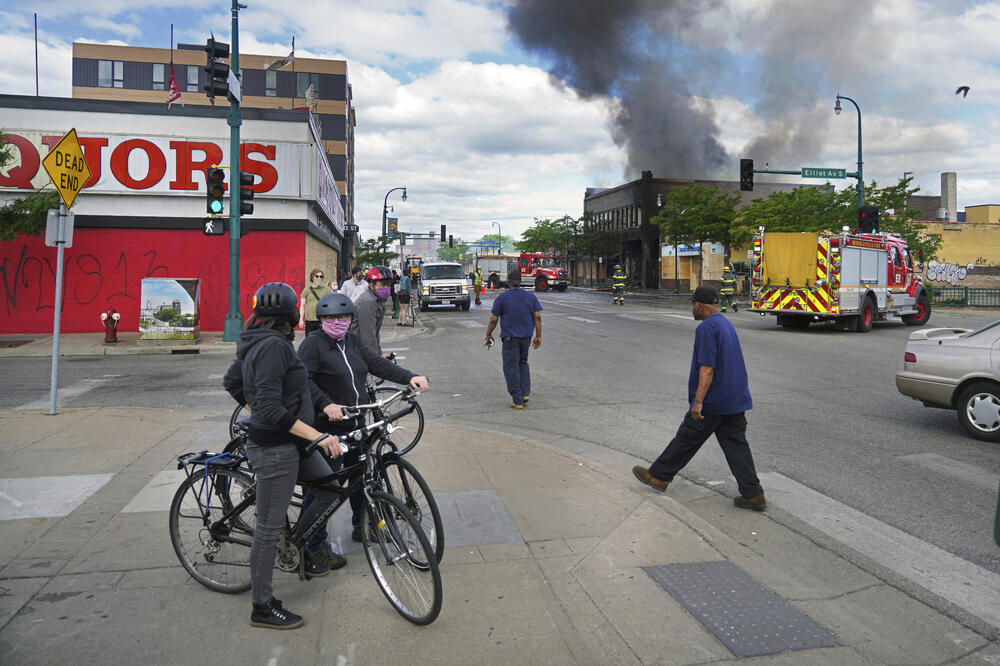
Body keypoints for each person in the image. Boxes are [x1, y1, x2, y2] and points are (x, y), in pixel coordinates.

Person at [222, 282, 344, 630]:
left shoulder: (257, 341)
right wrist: (317, 435)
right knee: (268, 528)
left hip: (291, 441)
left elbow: (233, 382)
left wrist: (259, 407)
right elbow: (271, 409)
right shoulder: (273, 347)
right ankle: (262, 605)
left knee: (328, 489)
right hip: (276, 447)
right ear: (291, 314)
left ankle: (296, 544)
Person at [298, 292, 430, 544]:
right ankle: (313, 545)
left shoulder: (353, 342)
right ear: (322, 319)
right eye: (332, 318)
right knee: (325, 489)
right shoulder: (312, 344)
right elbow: (303, 380)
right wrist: (326, 405)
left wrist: (410, 377)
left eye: (343, 317)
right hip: (328, 429)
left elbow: (378, 365)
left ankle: (365, 525)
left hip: (356, 423)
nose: (338, 322)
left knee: (362, 477)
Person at [632, 286, 766, 510]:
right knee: (737, 446)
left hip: (714, 400)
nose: (692, 308)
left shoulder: (706, 328)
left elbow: (707, 368)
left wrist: (698, 401)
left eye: (693, 304)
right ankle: (753, 493)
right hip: (735, 398)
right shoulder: (725, 323)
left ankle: (659, 476)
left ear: (700, 305)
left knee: (687, 437)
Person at [484, 269, 541, 409]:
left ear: (509, 281)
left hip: (510, 338)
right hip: (526, 337)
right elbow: (537, 317)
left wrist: (488, 334)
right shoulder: (530, 297)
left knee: (511, 366)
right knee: (523, 362)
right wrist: (538, 336)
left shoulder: (502, 298)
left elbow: (493, 319)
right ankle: (525, 393)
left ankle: (517, 399)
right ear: (520, 282)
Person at [349, 266, 391, 355]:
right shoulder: (367, 302)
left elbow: (375, 332)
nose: (386, 288)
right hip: (356, 351)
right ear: (372, 285)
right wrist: (376, 359)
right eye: (383, 285)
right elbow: (368, 336)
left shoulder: (379, 301)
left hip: (363, 349)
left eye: (388, 285)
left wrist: (379, 353)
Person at [299, 269, 331, 335]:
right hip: (310, 320)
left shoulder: (328, 290)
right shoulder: (306, 290)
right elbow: (302, 305)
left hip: (323, 320)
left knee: (323, 341)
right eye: (317, 276)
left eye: (321, 276)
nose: (319, 278)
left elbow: (331, 304)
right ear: (312, 278)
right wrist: (301, 319)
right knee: (310, 341)